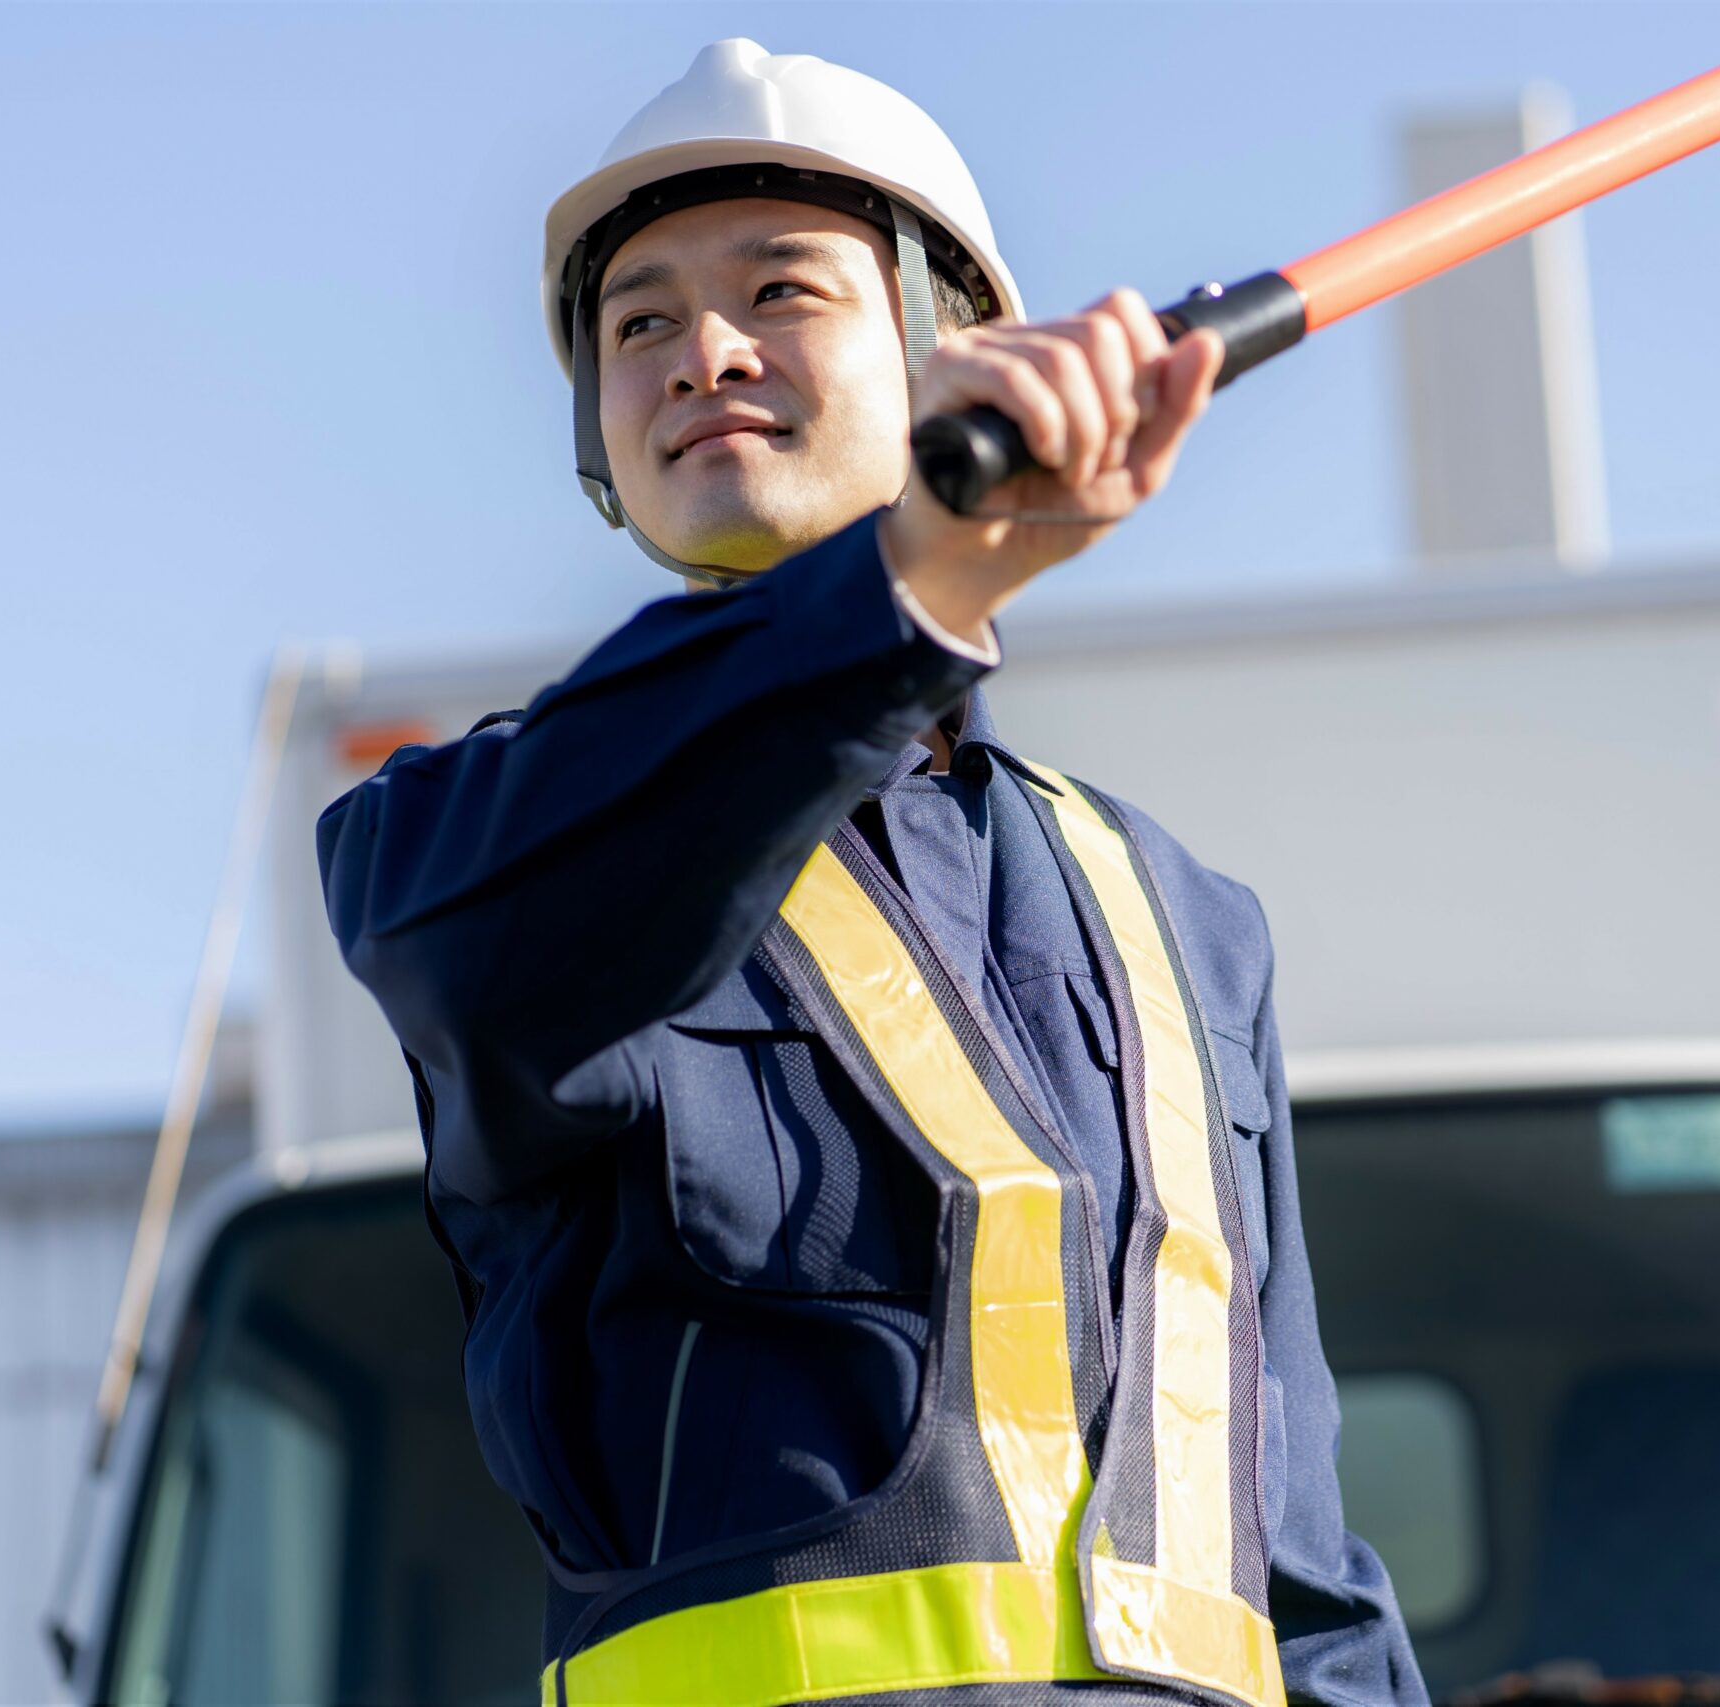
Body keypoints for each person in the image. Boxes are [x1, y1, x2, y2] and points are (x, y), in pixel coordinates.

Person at [318, 38, 1425, 1707]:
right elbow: (496, 936)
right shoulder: (470, 840)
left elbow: (1307, 1575)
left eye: (780, 290)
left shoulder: (1183, 920)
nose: (702, 352)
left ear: (954, 355)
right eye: (639, 323)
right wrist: (905, 586)